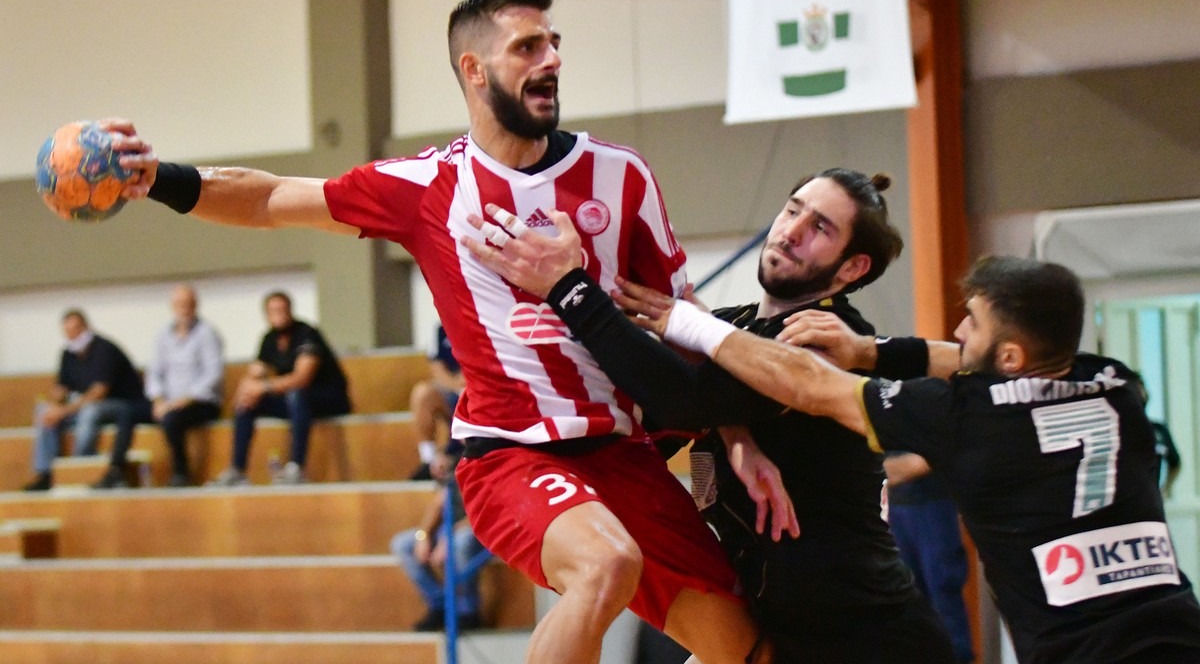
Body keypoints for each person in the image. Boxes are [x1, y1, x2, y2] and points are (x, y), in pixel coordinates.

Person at [108, 0, 769, 663]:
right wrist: (157, 178)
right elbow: (273, 197)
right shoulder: (428, 186)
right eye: (528, 46)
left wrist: (734, 428)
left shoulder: (621, 175)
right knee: (603, 566)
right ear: (474, 70)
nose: (551, 60)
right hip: (510, 454)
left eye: (554, 43)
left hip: (624, 453)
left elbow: (684, 321)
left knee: (749, 652)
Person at [492, 249, 1200, 664]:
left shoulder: (966, 418)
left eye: (972, 323)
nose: (956, 330)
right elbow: (978, 365)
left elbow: (809, 385)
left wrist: (675, 318)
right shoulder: (1116, 383)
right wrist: (871, 350)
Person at [464, 171, 957, 662]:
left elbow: (691, 397)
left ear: (852, 268)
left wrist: (572, 290)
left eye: (821, 228)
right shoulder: (728, 327)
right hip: (774, 624)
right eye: (792, 209)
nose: (790, 231)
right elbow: (673, 413)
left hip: (865, 637)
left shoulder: (826, 335)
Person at [209, 291, 350, 486]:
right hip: (296, 402)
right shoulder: (269, 339)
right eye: (273, 311)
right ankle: (237, 469)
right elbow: (256, 372)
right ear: (266, 315)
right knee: (248, 401)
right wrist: (246, 391)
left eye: (282, 309)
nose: (278, 314)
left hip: (328, 397)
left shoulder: (306, 334)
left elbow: (302, 378)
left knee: (295, 395)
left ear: (290, 311)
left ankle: (296, 468)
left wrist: (264, 387)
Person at [94, 284, 225, 489]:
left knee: (172, 419)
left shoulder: (207, 333)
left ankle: (181, 473)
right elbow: (154, 372)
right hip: (166, 402)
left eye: (187, 304)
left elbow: (213, 374)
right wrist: (157, 400)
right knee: (128, 412)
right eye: (179, 304)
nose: (183, 309)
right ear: (172, 307)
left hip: (199, 402)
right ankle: (116, 471)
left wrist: (181, 401)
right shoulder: (163, 335)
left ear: (195, 305)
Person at [23, 310, 151, 491]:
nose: (73, 336)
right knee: (43, 411)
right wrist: (54, 403)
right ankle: (46, 473)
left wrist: (65, 411)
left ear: (85, 327)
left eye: (76, 330)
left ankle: (80, 466)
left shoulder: (104, 349)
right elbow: (63, 387)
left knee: (89, 411)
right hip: (83, 405)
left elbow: (99, 392)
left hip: (120, 405)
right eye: (68, 332)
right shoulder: (68, 353)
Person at [885, 455, 976, 663]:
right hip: (897, 504)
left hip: (933, 503)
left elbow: (926, 459)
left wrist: (887, 470)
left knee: (943, 593)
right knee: (905, 597)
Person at [391, 444, 487, 632]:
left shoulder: (488, 458)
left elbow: (486, 511)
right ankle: (440, 605)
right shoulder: (457, 458)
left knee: (460, 543)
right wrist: (423, 535)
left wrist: (448, 537)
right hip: (451, 528)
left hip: (482, 528)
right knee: (403, 544)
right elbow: (439, 502)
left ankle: (467, 610)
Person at [409, 324, 465, 481]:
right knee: (422, 393)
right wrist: (457, 386)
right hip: (455, 392)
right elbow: (437, 368)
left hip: (482, 390)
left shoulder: (487, 321)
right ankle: (429, 461)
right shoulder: (441, 330)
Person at [1128, 370, 1183, 496]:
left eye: (1141, 387)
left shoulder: (1158, 430)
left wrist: (1165, 489)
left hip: (1151, 502)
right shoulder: (1119, 430)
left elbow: (1175, 463)